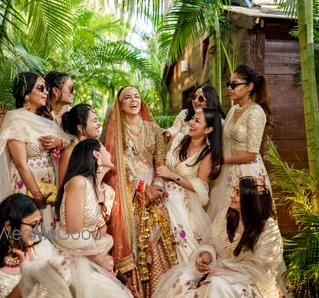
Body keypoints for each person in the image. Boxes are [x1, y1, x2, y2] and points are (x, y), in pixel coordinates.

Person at [153, 176, 283, 298]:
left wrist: (221, 270)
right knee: (183, 277)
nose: (231, 195)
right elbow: (213, 242)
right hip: (217, 268)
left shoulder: (268, 228)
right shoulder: (226, 215)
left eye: (238, 193)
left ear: (251, 199)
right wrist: (204, 258)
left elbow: (258, 268)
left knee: (217, 285)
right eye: (233, 190)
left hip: (249, 280)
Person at [104, 85, 177, 297]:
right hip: (130, 196)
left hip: (156, 191)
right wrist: (143, 188)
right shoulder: (116, 133)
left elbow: (160, 163)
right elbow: (116, 169)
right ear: (120, 105)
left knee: (159, 239)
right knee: (137, 239)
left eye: (137, 96)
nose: (133, 100)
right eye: (127, 97)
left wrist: (157, 186)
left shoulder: (153, 128)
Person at [0, 72, 70, 231]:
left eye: (46, 88)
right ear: (25, 94)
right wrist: (37, 195)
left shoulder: (46, 120)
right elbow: (20, 163)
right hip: (27, 184)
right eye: (40, 88)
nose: (46, 92)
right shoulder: (16, 119)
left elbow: (68, 141)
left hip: (48, 182)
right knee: (27, 233)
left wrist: (57, 142)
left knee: (46, 233)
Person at [52, 139, 133, 297]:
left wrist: (107, 264)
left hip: (95, 256)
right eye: (106, 149)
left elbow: (101, 232)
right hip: (74, 256)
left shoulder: (109, 192)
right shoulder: (78, 183)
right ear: (96, 154)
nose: (111, 154)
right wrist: (100, 260)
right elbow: (74, 231)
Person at [0, 194, 72, 298]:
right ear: (8, 226)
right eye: (33, 225)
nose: (38, 231)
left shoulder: (35, 253)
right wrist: (27, 280)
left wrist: (56, 272)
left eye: (39, 224)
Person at [207, 64, 273, 221]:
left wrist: (222, 160)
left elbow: (251, 155)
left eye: (235, 84)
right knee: (223, 220)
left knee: (247, 221)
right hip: (228, 174)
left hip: (248, 175)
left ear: (250, 86)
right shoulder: (233, 110)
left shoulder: (256, 112)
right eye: (229, 84)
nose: (230, 88)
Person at [156, 108, 222, 264]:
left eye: (197, 121)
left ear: (208, 129)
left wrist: (173, 176)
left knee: (186, 247)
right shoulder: (177, 139)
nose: (191, 123)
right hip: (162, 191)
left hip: (184, 201)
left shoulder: (207, 154)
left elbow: (201, 188)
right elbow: (161, 163)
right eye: (192, 118)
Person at [58, 103, 101, 184]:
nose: (99, 124)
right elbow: (62, 186)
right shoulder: (69, 153)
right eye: (95, 121)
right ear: (80, 128)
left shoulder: (97, 146)